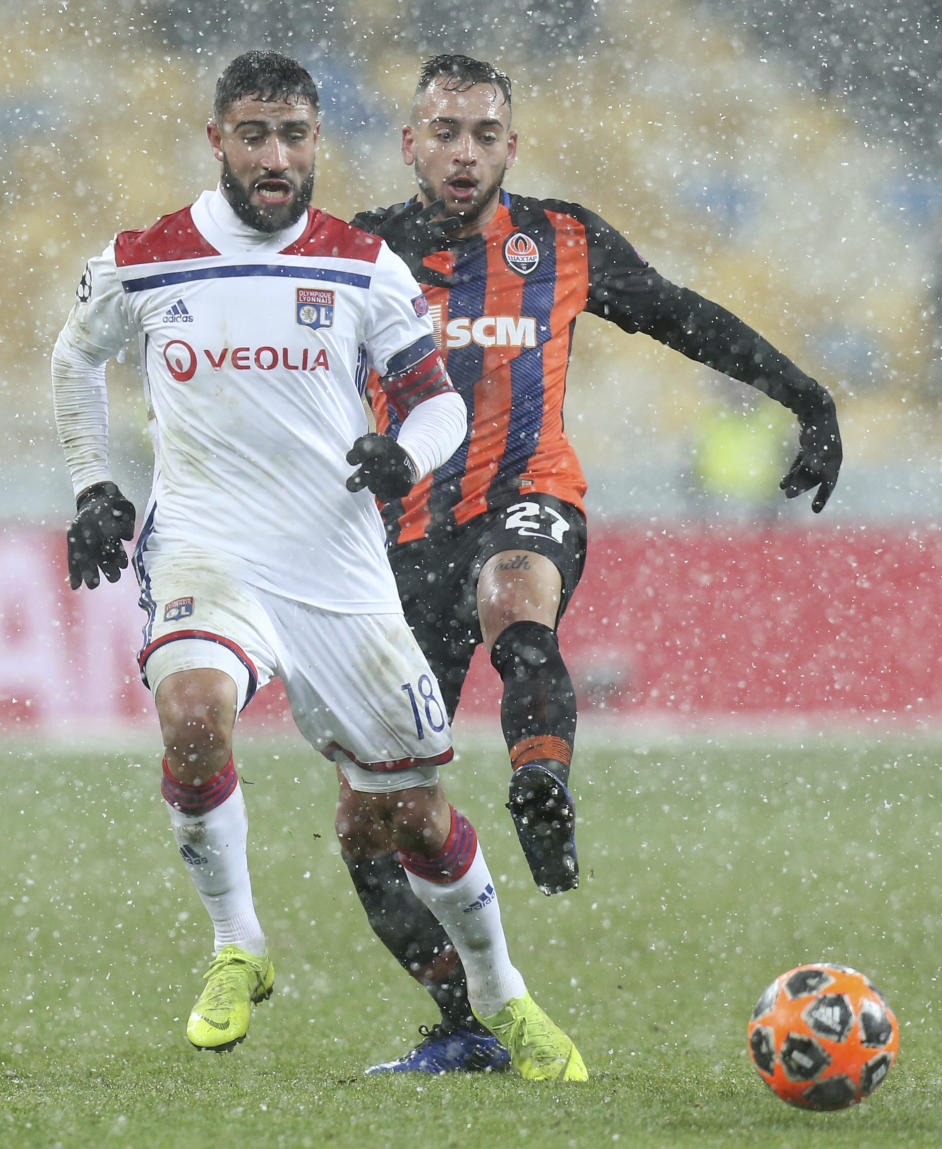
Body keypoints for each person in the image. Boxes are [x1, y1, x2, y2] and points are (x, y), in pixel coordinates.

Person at [51, 49, 587, 1083]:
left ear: (315, 143)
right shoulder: (146, 257)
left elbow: (436, 399)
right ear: (218, 140)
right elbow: (76, 355)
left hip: (338, 563)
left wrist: (406, 454)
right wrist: (93, 486)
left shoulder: (361, 266)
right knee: (195, 714)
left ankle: (505, 998)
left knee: (411, 818)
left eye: (294, 134)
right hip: (209, 546)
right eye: (255, 133)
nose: (276, 155)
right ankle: (238, 944)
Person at [337, 53, 843, 1074]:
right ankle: (466, 1022)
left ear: (511, 146)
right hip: (404, 540)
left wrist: (807, 396)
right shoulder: (361, 254)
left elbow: (678, 312)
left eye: (485, 133)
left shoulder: (560, 239)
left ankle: (542, 788)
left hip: (531, 493)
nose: (466, 151)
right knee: (372, 829)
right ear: (411, 143)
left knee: (517, 599)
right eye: (446, 132)